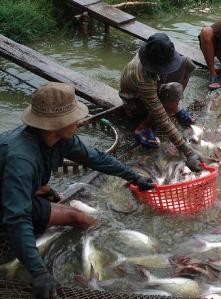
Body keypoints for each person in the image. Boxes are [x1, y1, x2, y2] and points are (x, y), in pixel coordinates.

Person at [0, 82, 155, 299]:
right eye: (74, 118)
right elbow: (17, 218)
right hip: (7, 201)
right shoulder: (22, 159)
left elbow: (97, 159)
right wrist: (39, 273)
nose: (79, 121)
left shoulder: (59, 140)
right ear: (56, 124)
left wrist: (134, 177)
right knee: (78, 218)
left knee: (51, 196)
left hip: (13, 184)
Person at [119, 33, 202, 172]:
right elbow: (161, 117)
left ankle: (174, 108)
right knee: (170, 95)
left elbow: (182, 69)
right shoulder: (143, 78)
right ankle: (142, 128)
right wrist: (188, 151)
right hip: (134, 100)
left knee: (186, 63)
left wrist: (174, 105)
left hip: (153, 85)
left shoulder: (157, 53)